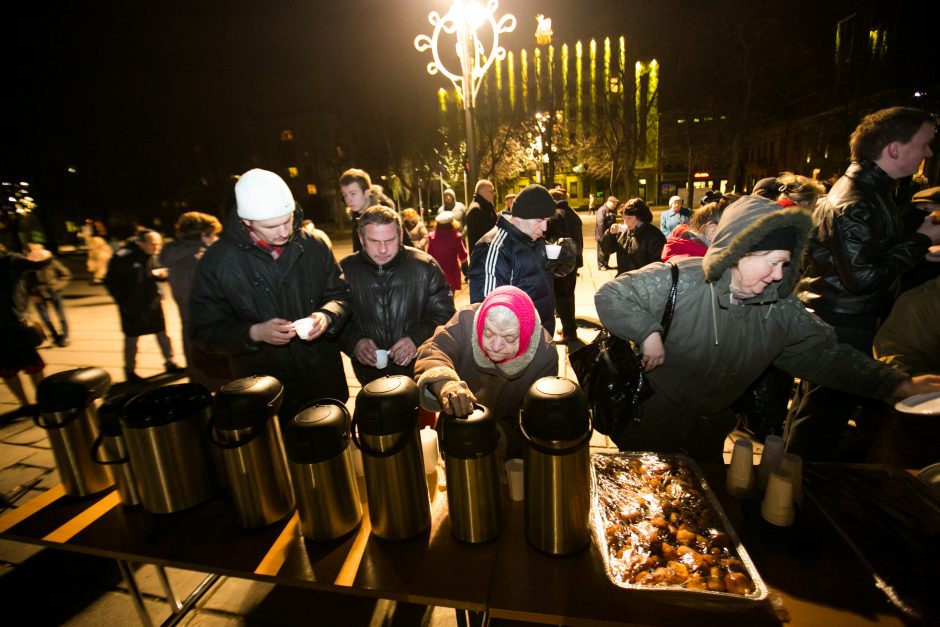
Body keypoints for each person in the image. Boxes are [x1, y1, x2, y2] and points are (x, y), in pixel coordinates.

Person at [594, 195, 940, 462]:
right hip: (646, 428)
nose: (778, 275)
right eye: (772, 262)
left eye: (785, 265)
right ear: (736, 252)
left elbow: (829, 357)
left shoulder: (779, 310)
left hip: (708, 437)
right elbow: (612, 295)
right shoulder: (681, 280)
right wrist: (648, 331)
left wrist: (897, 384)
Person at [791, 106, 940, 461]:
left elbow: (868, 253)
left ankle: (791, 486)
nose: (929, 153)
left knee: (816, 411)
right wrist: (920, 241)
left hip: (843, 317)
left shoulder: (872, 192)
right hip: (843, 321)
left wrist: (918, 250)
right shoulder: (855, 201)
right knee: (821, 418)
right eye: (924, 143)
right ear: (894, 149)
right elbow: (861, 278)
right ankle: (793, 494)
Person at [190, 168, 351, 421]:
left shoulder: (313, 244)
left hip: (322, 381)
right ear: (246, 222)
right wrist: (254, 333)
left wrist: (326, 315)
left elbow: (341, 294)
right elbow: (203, 332)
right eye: (272, 226)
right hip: (264, 389)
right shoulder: (217, 262)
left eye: (288, 220)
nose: (284, 231)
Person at [414, 286, 558, 458]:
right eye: (488, 333)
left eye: (509, 338)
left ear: (526, 334)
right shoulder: (467, 320)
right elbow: (434, 350)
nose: (496, 346)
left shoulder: (544, 355)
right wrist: (445, 383)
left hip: (510, 444)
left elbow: (538, 422)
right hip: (456, 431)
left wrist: (500, 437)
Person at [339, 206, 454, 388]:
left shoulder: (426, 267)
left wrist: (416, 338)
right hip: (369, 377)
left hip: (419, 371)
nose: (383, 249)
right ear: (361, 239)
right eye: (374, 241)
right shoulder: (345, 271)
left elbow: (445, 314)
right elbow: (335, 320)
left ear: (400, 236)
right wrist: (354, 341)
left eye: (390, 240)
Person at [469, 184, 558, 334]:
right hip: (515, 344)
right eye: (539, 220)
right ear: (519, 216)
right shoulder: (494, 248)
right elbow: (489, 313)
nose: (545, 228)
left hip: (541, 336)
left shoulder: (533, 239)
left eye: (547, 221)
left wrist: (560, 264)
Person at [160, 211, 231, 391]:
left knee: (201, 376)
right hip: (210, 328)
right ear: (204, 235)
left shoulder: (179, 255)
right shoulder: (199, 259)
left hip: (191, 325)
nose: (215, 239)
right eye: (213, 234)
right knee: (217, 380)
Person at [104, 229, 182, 383]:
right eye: (154, 243)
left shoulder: (151, 255)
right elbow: (111, 281)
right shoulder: (123, 257)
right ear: (140, 243)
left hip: (152, 303)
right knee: (132, 339)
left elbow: (148, 274)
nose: (158, 247)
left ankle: (170, 363)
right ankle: (130, 370)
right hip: (132, 306)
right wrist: (124, 302)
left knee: (162, 335)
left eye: (159, 243)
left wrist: (158, 276)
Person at [1, 244, 51, 411]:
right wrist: (43, 253)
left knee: (7, 367)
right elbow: (39, 263)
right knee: (33, 363)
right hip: (14, 322)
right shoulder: (9, 260)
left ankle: (24, 404)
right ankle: (42, 400)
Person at [545, 186, 583, 344]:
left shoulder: (554, 215)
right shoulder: (573, 214)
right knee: (568, 296)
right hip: (573, 263)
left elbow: (549, 239)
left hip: (559, 264)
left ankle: (569, 333)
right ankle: (570, 328)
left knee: (561, 298)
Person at [339, 168, 408, 252]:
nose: (348, 199)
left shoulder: (388, 217)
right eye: (345, 195)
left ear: (367, 193)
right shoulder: (357, 219)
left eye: (353, 193)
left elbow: (408, 250)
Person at [600, 198, 666, 276]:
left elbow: (658, 263)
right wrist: (610, 234)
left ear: (640, 217)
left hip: (643, 281)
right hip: (623, 279)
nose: (625, 221)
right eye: (624, 217)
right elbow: (606, 250)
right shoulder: (623, 232)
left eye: (629, 218)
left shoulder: (654, 235)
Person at [25, 242, 71, 347]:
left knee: (61, 315)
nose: (33, 252)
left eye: (36, 250)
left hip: (53, 291)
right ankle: (55, 337)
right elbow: (25, 280)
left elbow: (66, 274)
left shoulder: (52, 262)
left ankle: (65, 336)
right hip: (38, 293)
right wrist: (31, 293)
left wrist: (57, 287)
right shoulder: (28, 264)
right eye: (31, 250)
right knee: (45, 317)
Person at [661, 199, 728, 262]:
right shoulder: (700, 265)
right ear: (712, 230)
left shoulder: (689, 250)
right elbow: (663, 228)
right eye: (730, 232)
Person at [427, 211, 468, 293]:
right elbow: (463, 255)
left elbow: (428, 255)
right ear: (452, 223)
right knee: (450, 295)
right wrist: (466, 270)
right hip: (452, 272)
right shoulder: (456, 236)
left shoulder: (431, 236)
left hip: (437, 273)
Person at [464, 179, 497, 250]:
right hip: (482, 255)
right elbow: (477, 239)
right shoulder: (475, 210)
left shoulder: (486, 205)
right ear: (481, 192)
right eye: (491, 191)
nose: (493, 194)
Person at [594, 195, 618, 270]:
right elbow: (600, 223)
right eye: (614, 204)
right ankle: (601, 265)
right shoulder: (602, 210)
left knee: (607, 249)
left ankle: (606, 264)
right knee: (602, 250)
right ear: (609, 202)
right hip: (602, 235)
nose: (615, 205)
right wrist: (602, 236)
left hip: (609, 234)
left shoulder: (612, 211)